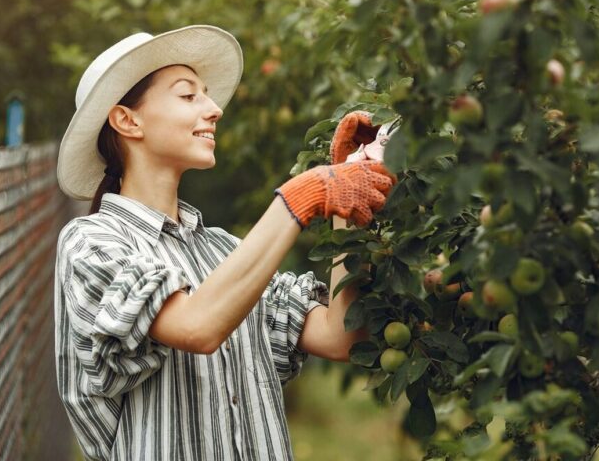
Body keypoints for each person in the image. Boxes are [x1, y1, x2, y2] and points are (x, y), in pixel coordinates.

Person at [53, 25, 395, 460]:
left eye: (207, 95)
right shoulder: (91, 243)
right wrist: (301, 196)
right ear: (127, 120)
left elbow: (340, 337)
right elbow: (196, 327)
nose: (214, 109)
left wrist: (346, 194)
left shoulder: (222, 251)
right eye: (188, 95)